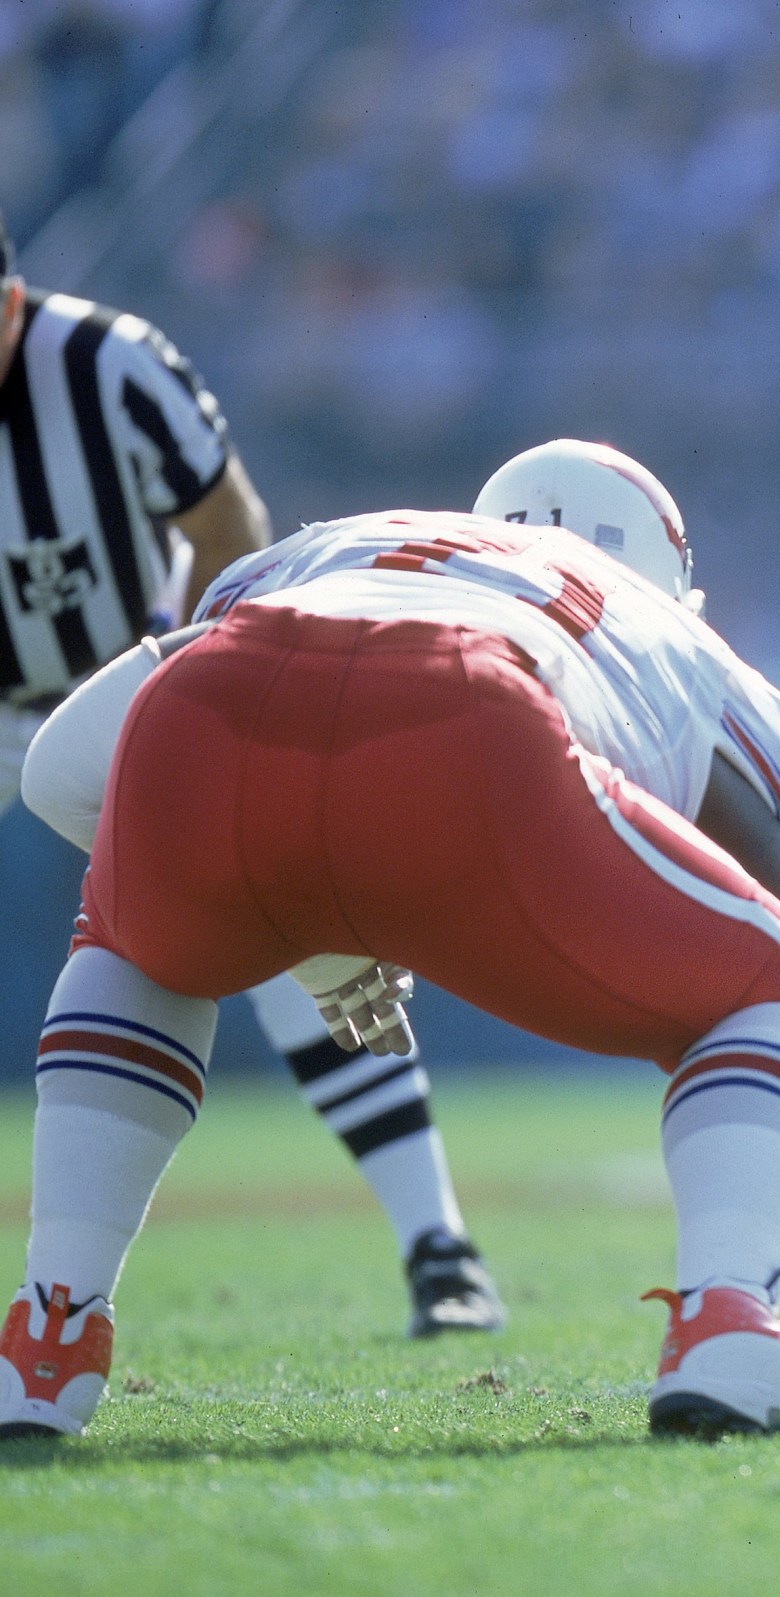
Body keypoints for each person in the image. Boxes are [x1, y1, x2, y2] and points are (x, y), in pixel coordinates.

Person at [0, 442, 780, 1439]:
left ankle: (46, 1334)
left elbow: (59, 772)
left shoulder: (339, 546)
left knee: (136, 936)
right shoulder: (673, 635)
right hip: (475, 721)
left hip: (219, 700)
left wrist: (307, 930)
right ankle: (728, 1325)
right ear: (667, 571)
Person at [0, 208, 502, 1338]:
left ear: (14, 309)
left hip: (132, 677)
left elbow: (232, 530)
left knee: (270, 897)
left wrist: (189, 700)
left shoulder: (108, 367)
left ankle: (439, 1242)